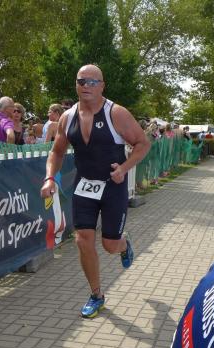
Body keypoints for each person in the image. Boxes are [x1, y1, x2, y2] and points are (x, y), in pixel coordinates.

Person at [40, 64, 150, 319]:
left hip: (113, 185)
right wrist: (49, 178)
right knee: (82, 239)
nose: (86, 86)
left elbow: (143, 143)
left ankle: (123, 244)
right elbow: (56, 152)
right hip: (84, 186)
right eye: (82, 81)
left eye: (93, 82)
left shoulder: (116, 113)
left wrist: (124, 168)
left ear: (102, 86)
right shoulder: (67, 118)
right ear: (76, 85)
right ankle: (96, 294)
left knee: (109, 245)